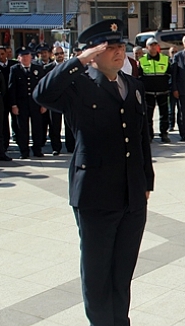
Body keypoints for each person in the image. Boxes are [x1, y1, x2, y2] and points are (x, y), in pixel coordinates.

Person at [33, 19, 154, 326]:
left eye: (121, 46)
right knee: (98, 273)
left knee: (122, 271)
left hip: (132, 195)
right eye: (109, 47)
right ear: (93, 53)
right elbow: (42, 94)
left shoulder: (134, 87)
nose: (118, 52)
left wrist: (146, 181)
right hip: (96, 195)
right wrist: (78, 61)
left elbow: (142, 139)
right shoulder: (78, 86)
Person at [9, 47, 46, 158]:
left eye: (27, 56)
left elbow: (42, 87)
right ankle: (24, 151)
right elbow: (12, 88)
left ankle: (37, 149)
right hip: (22, 104)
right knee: (22, 129)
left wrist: (43, 103)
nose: (25, 58)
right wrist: (14, 104)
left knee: (37, 128)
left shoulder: (38, 69)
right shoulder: (15, 69)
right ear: (19, 58)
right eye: (23, 56)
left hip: (35, 103)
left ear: (31, 57)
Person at [139, 38, 172, 143]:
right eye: (151, 45)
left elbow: (170, 75)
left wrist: (168, 87)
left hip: (162, 92)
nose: (153, 47)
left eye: (155, 45)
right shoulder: (142, 60)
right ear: (147, 47)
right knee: (148, 115)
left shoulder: (165, 59)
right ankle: (149, 135)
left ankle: (164, 134)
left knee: (164, 115)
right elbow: (139, 77)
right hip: (148, 93)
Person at [43, 46, 69, 155]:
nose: (60, 55)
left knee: (69, 124)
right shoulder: (47, 68)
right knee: (55, 125)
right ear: (53, 55)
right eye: (57, 54)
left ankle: (71, 146)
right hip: (54, 101)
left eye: (61, 53)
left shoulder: (69, 65)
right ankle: (56, 147)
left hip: (68, 100)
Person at [0, 45, 19, 151]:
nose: (0, 56)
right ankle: (5, 143)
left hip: (13, 97)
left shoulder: (14, 65)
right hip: (0, 99)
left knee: (16, 120)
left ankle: (18, 138)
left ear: (7, 54)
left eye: (2, 54)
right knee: (3, 122)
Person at [168, 46, 179, 131]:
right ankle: (171, 125)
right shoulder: (168, 63)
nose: (174, 54)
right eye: (172, 52)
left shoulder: (180, 62)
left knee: (180, 109)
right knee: (171, 108)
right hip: (170, 88)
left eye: (176, 52)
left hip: (180, 88)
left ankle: (181, 125)